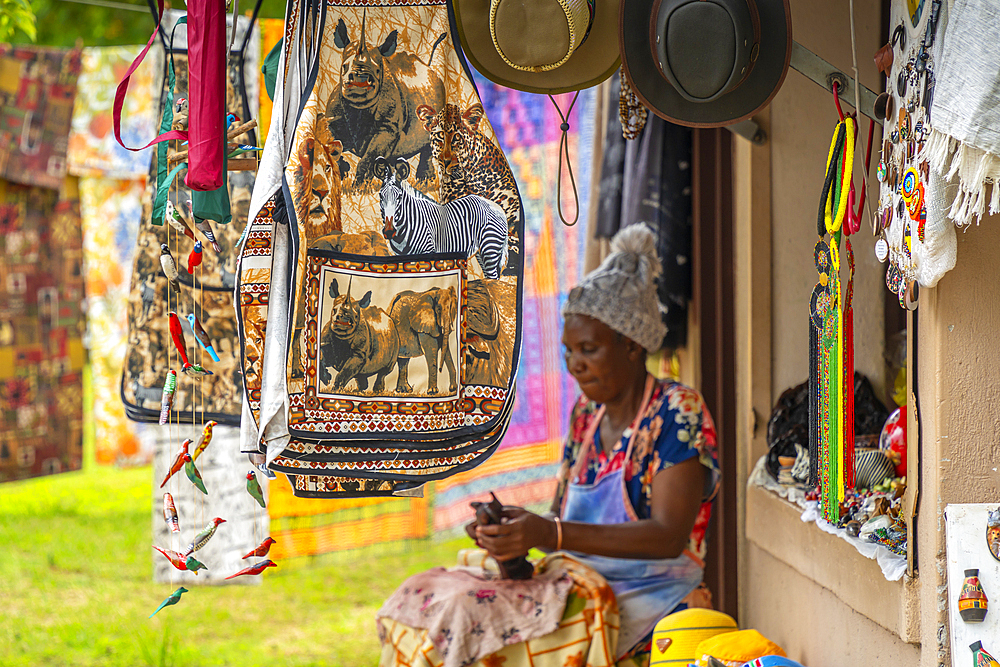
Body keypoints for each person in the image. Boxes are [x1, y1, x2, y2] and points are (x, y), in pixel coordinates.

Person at [378, 224, 719, 665]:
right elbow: (560, 525)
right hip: (576, 586)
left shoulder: (677, 411)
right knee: (427, 598)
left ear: (632, 346)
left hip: (650, 603)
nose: (575, 364)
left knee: (466, 624)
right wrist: (512, 545)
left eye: (589, 349)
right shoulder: (586, 416)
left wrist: (548, 533)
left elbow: (668, 536)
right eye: (568, 351)